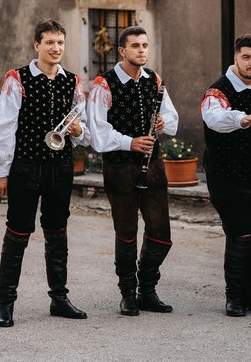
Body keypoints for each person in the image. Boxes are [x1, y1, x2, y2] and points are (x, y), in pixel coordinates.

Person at [0, 19, 89, 327]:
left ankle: (59, 299)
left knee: (57, 232)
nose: (56, 48)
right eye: (49, 43)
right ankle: (6, 304)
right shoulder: (17, 79)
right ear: (37, 45)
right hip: (26, 166)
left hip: (60, 167)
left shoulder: (73, 81)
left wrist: (77, 129)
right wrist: (1, 172)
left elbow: (83, 129)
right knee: (18, 233)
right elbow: (3, 128)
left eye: (60, 43)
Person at [87, 25, 179, 315]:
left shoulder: (155, 80)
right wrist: (130, 142)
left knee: (161, 234)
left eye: (145, 45)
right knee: (126, 233)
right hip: (120, 167)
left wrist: (163, 122)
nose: (141, 50)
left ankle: (147, 290)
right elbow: (98, 133)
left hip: (153, 165)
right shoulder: (104, 84)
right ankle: (128, 293)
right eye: (135, 46)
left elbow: (172, 117)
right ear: (122, 51)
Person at [201, 34, 251, 317]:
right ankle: (233, 297)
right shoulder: (217, 92)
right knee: (239, 235)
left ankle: (249, 294)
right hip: (226, 178)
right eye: (246, 57)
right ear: (235, 59)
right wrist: (240, 119)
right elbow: (215, 119)